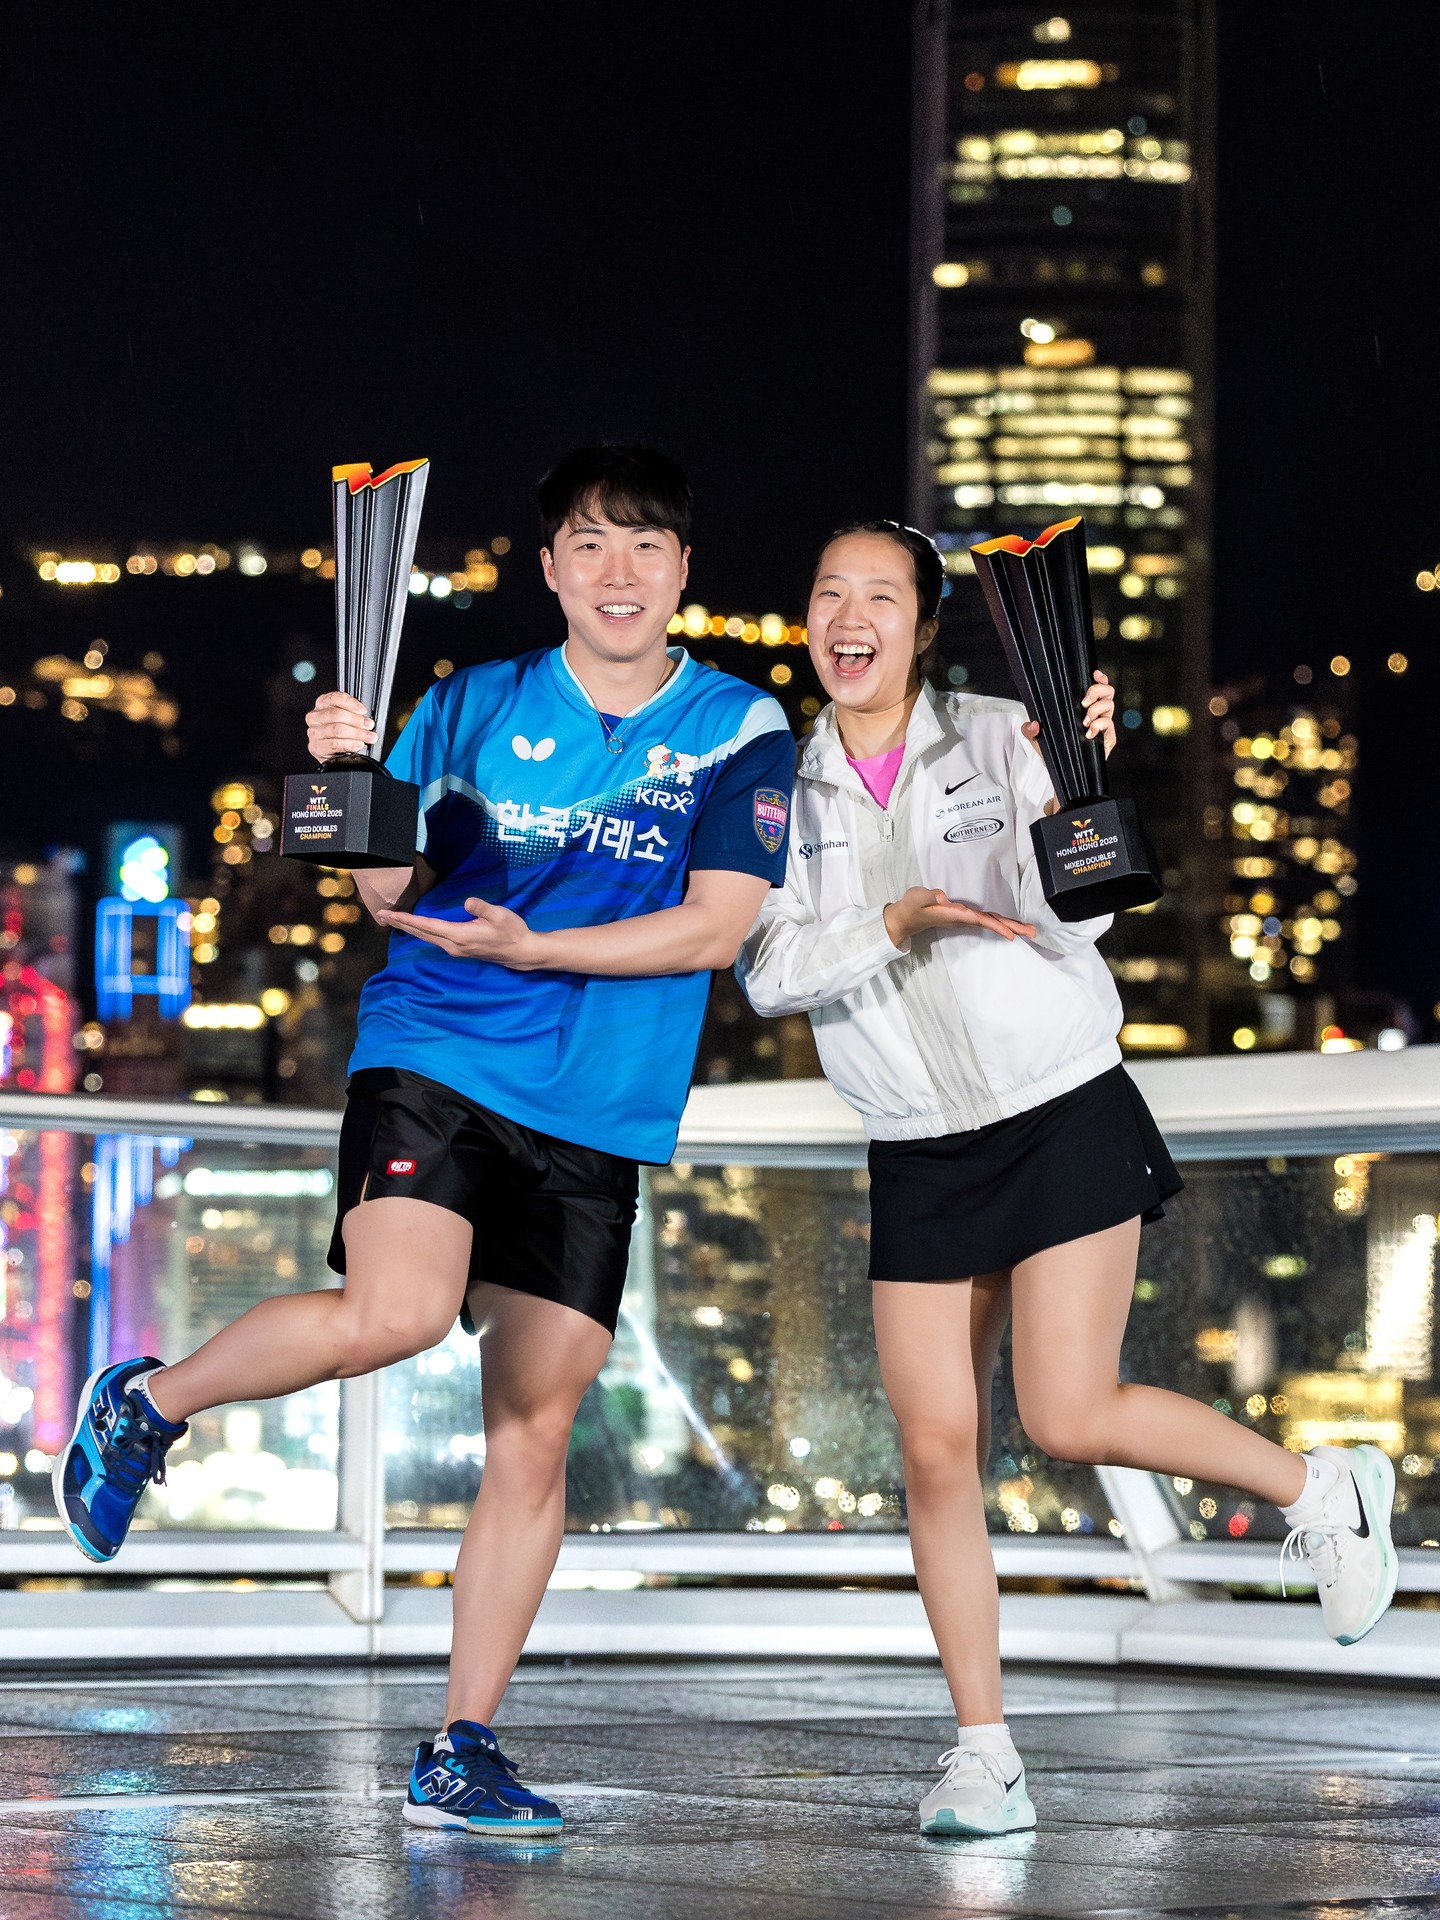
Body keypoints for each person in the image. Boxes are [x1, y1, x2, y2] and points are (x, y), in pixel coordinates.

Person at [54, 444, 796, 1837]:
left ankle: (461, 1745)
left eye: (645, 548)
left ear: (685, 571)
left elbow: (717, 924)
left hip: (598, 1108)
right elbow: (390, 897)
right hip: (441, 1050)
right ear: (549, 571)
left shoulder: (741, 726)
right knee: (393, 1313)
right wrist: (352, 782)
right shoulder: (470, 704)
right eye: (588, 546)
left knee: (535, 1426)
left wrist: (545, 942)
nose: (618, 573)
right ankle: (145, 1406)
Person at [737, 518, 1398, 1840]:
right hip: (917, 1144)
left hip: (1056, 1109)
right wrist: (894, 919)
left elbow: (1085, 911)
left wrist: (1075, 773)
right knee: (934, 1454)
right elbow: (764, 971)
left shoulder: (1000, 733)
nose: (849, 618)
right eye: (828, 596)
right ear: (807, 622)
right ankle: (984, 1753)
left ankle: (1321, 1493)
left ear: (925, 627)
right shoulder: (775, 781)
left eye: (881, 596)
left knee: (1069, 1408)